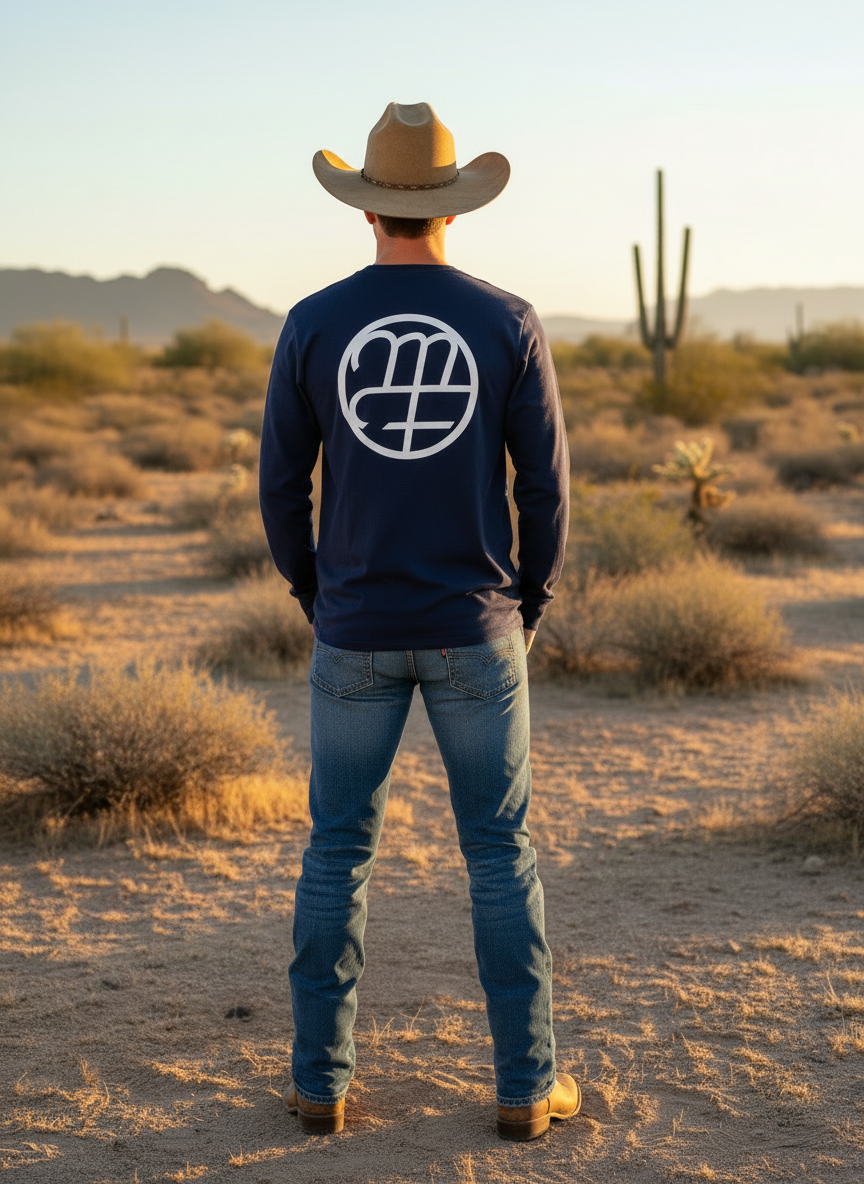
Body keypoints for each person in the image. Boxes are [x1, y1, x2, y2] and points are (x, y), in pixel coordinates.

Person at [259, 101, 577, 1142]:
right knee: (500, 854)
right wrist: (524, 604)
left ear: (367, 212)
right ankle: (527, 1086)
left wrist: (320, 599)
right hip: (475, 627)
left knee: (336, 850)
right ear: (450, 210)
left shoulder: (312, 321)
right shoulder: (507, 320)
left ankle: (320, 1083)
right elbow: (546, 492)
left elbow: (278, 487)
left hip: (354, 629)